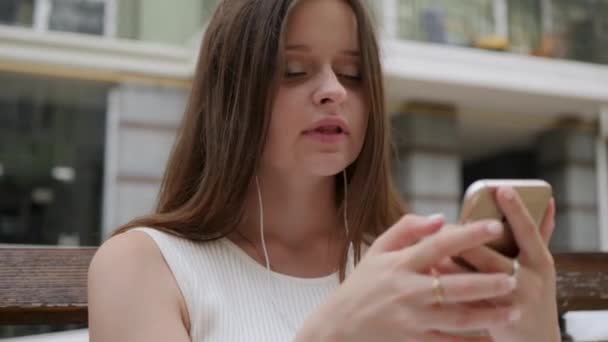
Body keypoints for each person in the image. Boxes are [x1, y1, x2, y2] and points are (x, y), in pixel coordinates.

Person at [87, 0, 561, 341]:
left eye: (353, 74)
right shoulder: (143, 266)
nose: (333, 90)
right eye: (294, 70)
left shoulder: (409, 265)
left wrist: (532, 331)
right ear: (229, 98)